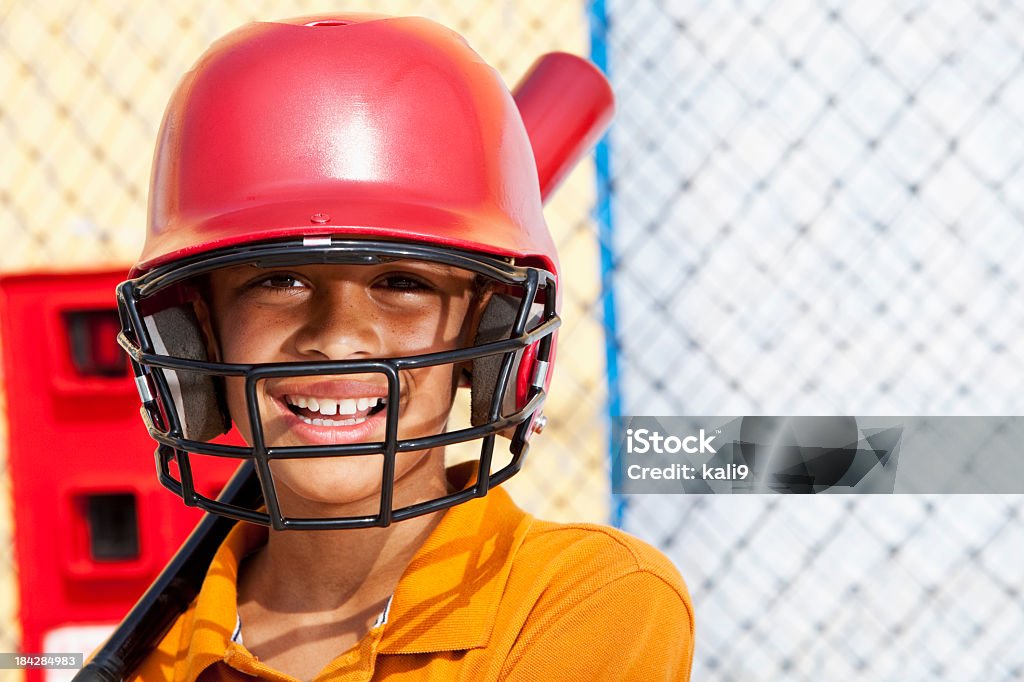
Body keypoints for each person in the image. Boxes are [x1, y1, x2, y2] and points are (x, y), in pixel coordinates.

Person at [117, 13, 694, 681]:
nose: (337, 338)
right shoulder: (156, 657)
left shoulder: (583, 597)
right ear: (198, 328)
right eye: (280, 279)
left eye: (401, 282)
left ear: (491, 338)